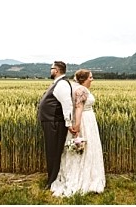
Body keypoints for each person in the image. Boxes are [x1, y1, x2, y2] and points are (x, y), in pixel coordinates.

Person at [51, 69, 106, 197]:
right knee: (85, 147)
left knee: (85, 148)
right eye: (90, 77)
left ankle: (88, 175)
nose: (92, 79)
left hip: (87, 120)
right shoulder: (81, 90)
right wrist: (77, 125)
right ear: (84, 79)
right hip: (85, 121)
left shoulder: (78, 88)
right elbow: (79, 108)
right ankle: (86, 178)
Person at [37, 61, 74, 189]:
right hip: (51, 122)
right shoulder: (58, 83)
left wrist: (68, 123)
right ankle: (52, 178)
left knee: (54, 152)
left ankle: (52, 181)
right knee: (51, 151)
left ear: (56, 70)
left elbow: (67, 104)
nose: (50, 70)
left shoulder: (62, 84)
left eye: (51, 68)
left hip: (55, 123)